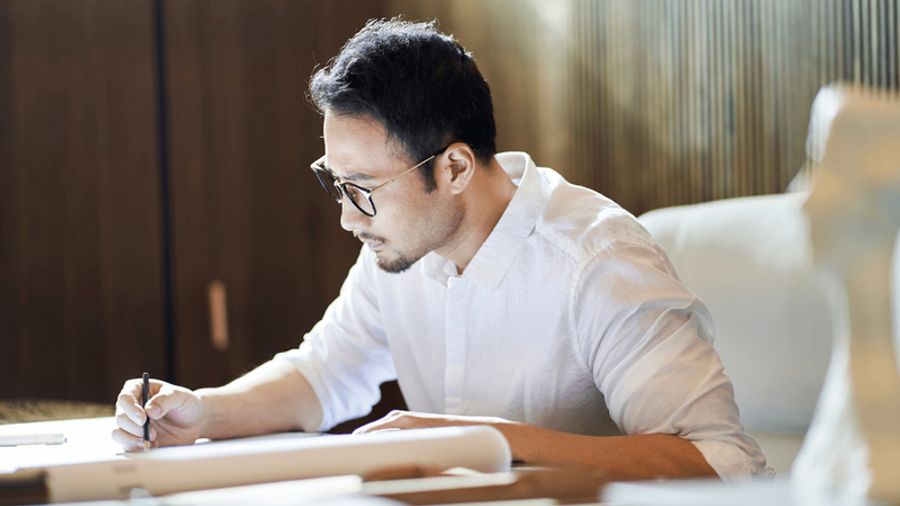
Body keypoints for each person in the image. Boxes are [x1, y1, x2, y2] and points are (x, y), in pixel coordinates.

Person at [113, 18, 766, 480]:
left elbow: (722, 463)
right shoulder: (394, 248)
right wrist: (203, 411)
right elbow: (323, 375)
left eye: (362, 188)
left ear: (454, 168)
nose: (344, 217)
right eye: (335, 183)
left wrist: (476, 444)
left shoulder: (598, 261)